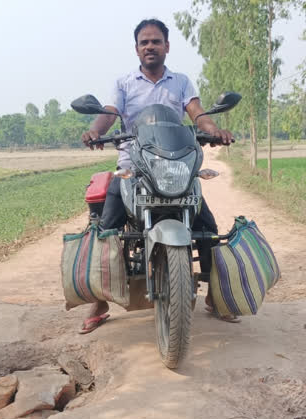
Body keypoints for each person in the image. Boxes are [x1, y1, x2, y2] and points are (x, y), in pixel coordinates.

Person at [78, 18, 238, 334]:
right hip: (134, 166)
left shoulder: (181, 82)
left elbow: (198, 113)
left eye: (155, 41)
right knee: (107, 229)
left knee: (206, 226)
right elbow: (110, 114)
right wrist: (95, 131)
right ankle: (100, 301)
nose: (150, 46)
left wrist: (214, 131)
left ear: (167, 46)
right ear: (137, 49)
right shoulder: (124, 83)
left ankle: (214, 297)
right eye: (144, 42)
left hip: (174, 164)